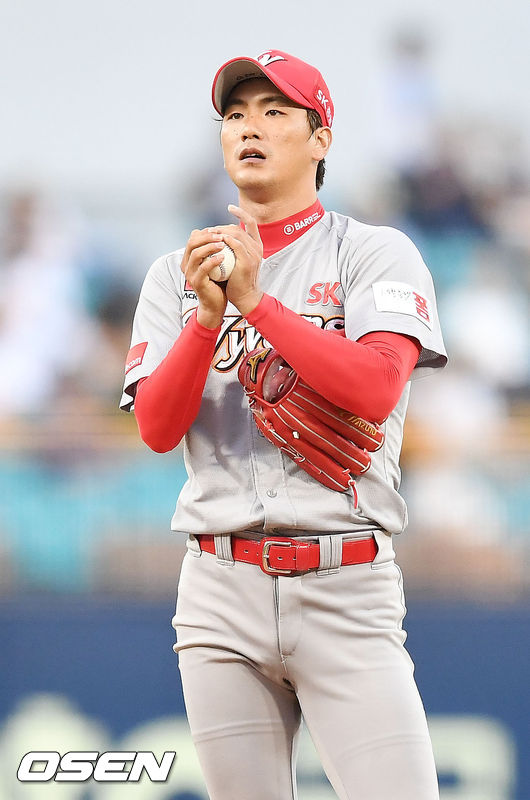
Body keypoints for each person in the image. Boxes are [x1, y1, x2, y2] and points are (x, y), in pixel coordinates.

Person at [121, 49, 447, 800]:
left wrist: (257, 305)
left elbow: (375, 387)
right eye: (235, 114)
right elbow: (158, 430)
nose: (250, 128)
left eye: (275, 112)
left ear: (320, 138)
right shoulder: (177, 274)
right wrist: (207, 318)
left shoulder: (372, 251)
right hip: (219, 587)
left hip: (345, 580)